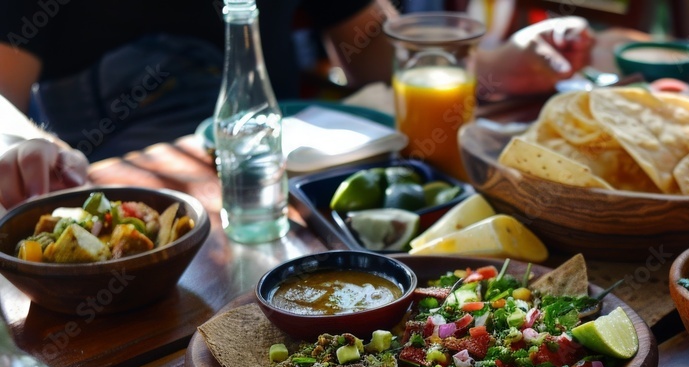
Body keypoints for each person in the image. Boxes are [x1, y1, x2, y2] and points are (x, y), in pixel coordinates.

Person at [0, 0, 593, 209]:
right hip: (128, 217)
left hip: (302, 196)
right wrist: (18, 141)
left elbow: (382, 55)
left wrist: (496, 65)